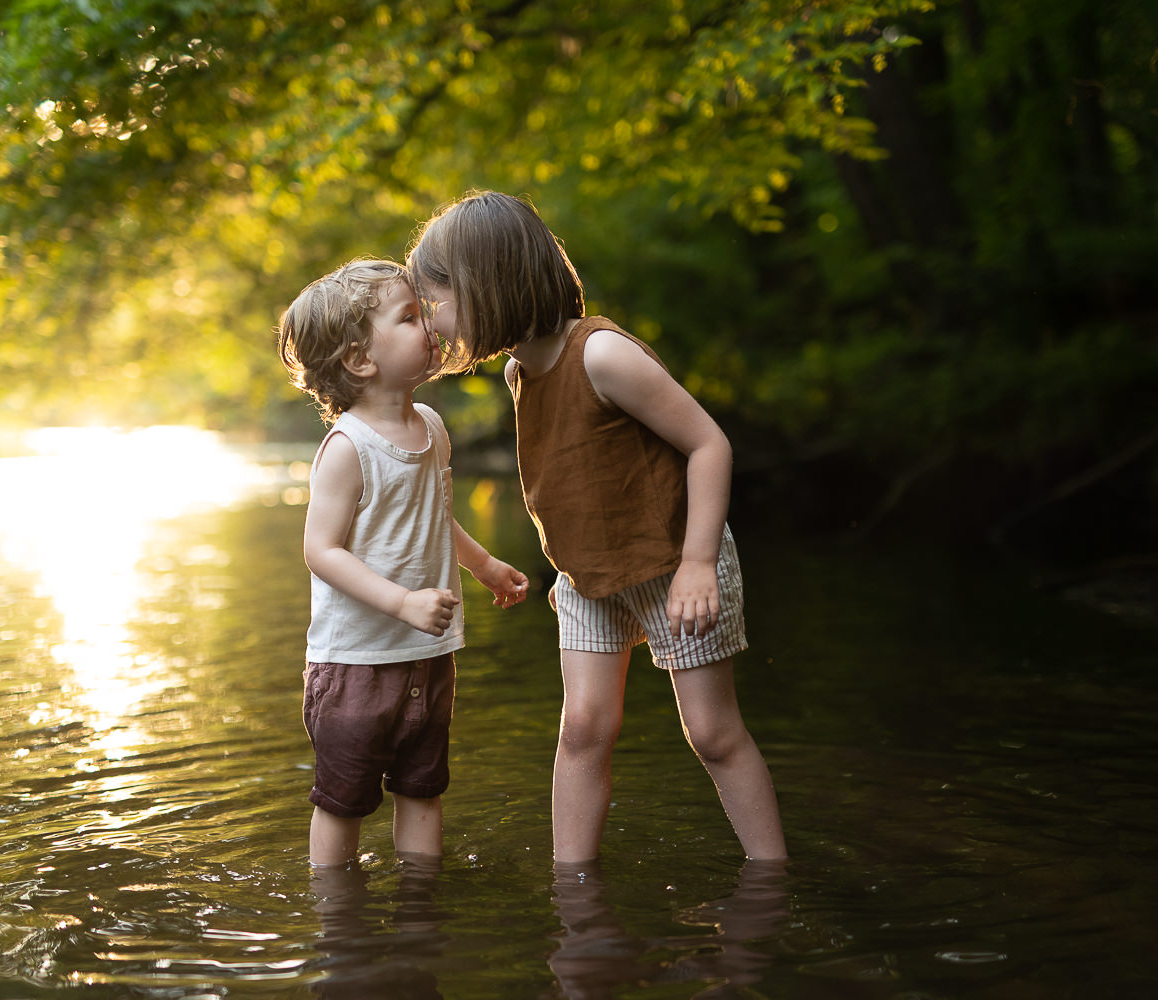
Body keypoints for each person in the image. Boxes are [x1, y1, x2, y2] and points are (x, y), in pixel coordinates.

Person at [407, 192, 787, 863]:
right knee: (582, 728)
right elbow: (570, 481)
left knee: (712, 731)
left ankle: (771, 875)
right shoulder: (519, 370)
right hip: (589, 580)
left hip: (675, 563)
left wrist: (699, 562)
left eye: (435, 298)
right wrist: (566, 569)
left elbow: (709, 445)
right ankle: (571, 889)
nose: (431, 317)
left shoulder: (602, 356)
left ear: (486, 283)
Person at [277, 257, 529, 867]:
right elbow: (320, 550)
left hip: (426, 656)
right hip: (356, 662)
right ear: (361, 360)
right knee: (343, 799)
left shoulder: (432, 428)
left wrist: (485, 565)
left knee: (423, 788)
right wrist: (403, 602)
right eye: (411, 317)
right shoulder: (348, 447)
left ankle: (421, 905)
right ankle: (339, 919)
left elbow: (434, 517)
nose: (431, 325)